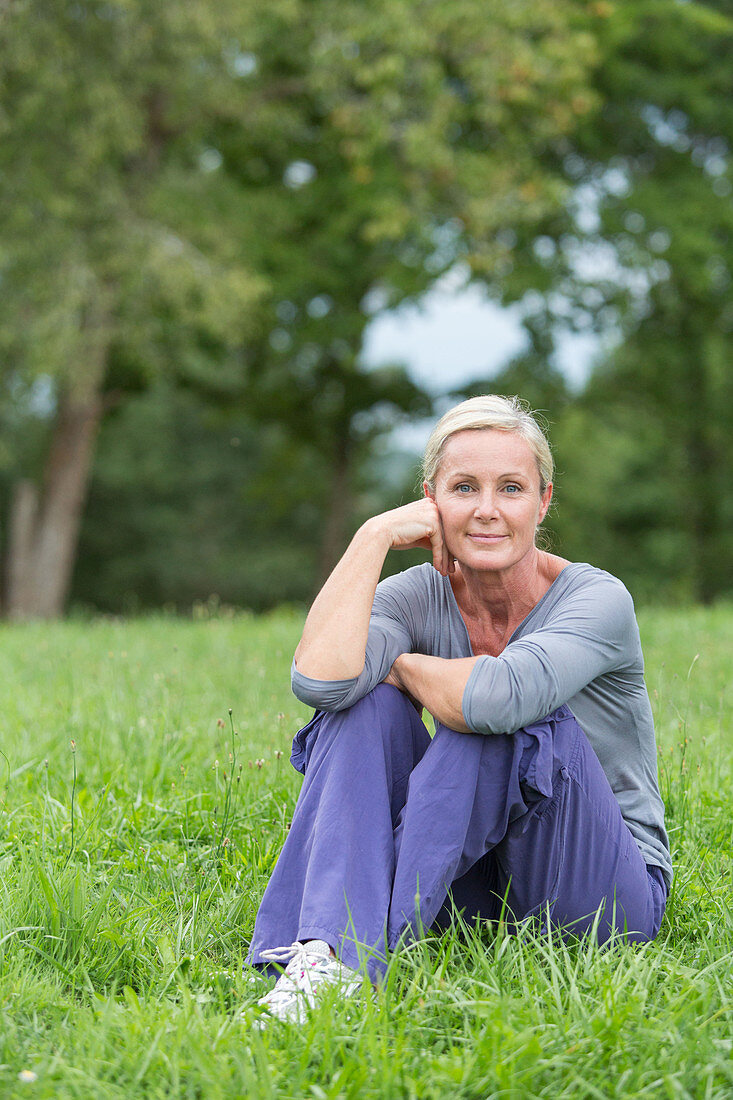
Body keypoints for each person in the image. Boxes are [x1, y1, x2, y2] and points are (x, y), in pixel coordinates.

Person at [247, 394, 672, 1024]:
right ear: (431, 499)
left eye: (511, 488)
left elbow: (501, 699)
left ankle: (355, 945)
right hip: (473, 888)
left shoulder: (598, 599)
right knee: (363, 710)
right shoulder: (417, 595)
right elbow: (320, 684)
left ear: (543, 501)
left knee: (507, 719)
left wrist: (398, 667)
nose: (488, 510)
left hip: (599, 892)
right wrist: (374, 536)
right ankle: (325, 959)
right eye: (464, 487)